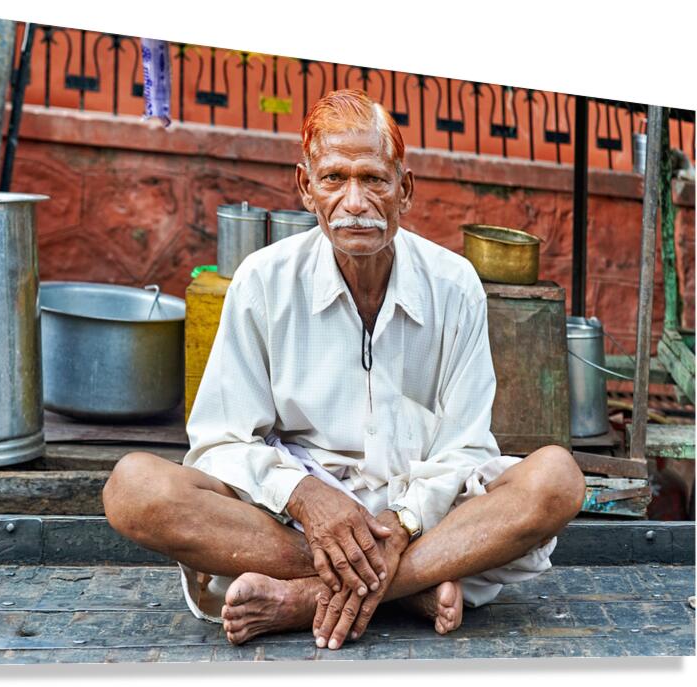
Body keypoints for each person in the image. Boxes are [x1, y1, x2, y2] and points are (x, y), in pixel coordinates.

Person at [103, 89, 586, 651]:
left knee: (556, 479)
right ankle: (409, 590)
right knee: (134, 489)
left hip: (425, 518)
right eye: (334, 179)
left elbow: (466, 450)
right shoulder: (263, 282)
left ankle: (306, 598)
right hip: (294, 525)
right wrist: (306, 495)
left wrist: (403, 526)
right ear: (306, 188)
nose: (355, 201)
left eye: (374, 180)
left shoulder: (455, 286)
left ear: (403, 189)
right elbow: (220, 443)